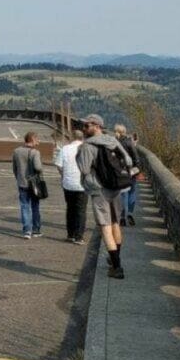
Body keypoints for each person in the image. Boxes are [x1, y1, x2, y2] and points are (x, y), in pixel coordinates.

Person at [76, 114, 133, 280]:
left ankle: (117, 268)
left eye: (86, 126)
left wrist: (79, 155)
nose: (84, 129)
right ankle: (115, 257)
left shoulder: (87, 146)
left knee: (105, 227)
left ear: (96, 126)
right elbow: (128, 160)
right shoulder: (112, 141)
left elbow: (84, 169)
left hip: (99, 190)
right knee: (115, 223)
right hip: (116, 188)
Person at [56, 130, 87, 244]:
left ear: (72, 137)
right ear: (82, 138)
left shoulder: (65, 149)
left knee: (70, 209)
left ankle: (70, 234)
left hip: (68, 183)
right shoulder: (86, 148)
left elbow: (59, 165)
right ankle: (79, 237)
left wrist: (64, 175)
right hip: (82, 184)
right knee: (81, 210)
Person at [12, 132, 45, 239]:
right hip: (34, 184)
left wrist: (19, 178)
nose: (38, 141)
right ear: (32, 139)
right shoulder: (35, 152)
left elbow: (14, 168)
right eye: (37, 139)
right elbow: (38, 167)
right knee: (35, 206)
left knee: (24, 206)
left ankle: (27, 230)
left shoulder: (16, 151)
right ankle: (36, 230)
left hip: (22, 183)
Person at [114, 124, 140, 226]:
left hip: (119, 172)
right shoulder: (129, 142)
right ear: (124, 132)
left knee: (123, 194)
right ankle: (130, 213)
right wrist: (137, 169)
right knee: (132, 192)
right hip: (130, 171)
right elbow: (136, 158)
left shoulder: (114, 143)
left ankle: (122, 217)